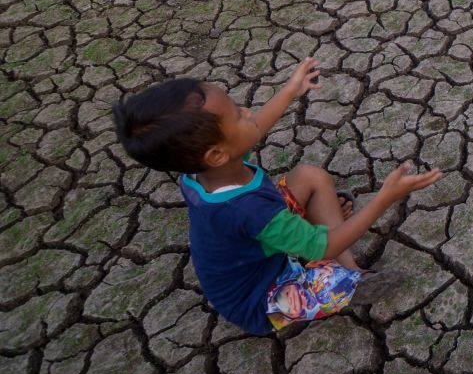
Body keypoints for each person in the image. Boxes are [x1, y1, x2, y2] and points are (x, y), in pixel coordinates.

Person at [111, 58, 443, 333]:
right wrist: (385, 198)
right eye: (236, 114)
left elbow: (248, 133)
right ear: (216, 154)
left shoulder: (196, 172)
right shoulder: (249, 210)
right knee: (329, 276)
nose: (247, 111)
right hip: (261, 300)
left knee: (310, 177)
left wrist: (290, 91)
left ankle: (350, 266)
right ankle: (349, 282)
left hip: (253, 245)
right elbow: (323, 246)